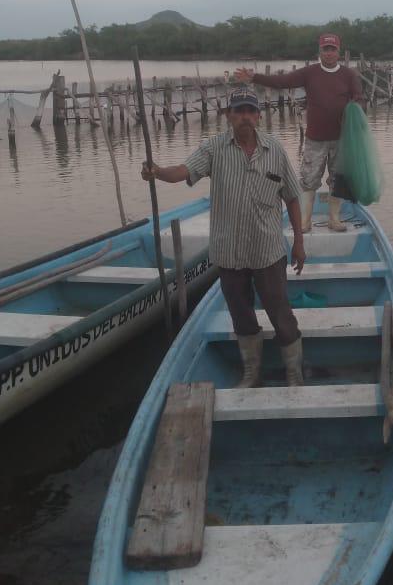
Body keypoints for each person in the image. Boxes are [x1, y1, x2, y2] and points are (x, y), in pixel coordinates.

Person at [141, 88, 307, 388]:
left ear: (258, 116)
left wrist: (299, 241)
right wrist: (158, 172)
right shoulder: (213, 149)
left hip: (268, 250)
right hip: (228, 251)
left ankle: (294, 372)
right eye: (238, 110)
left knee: (280, 312)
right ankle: (251, 373)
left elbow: (293, 197)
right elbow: (184, 171)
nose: (244, 116)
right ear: (229, 115)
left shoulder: (276, 150)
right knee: (240, 315)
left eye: (250, 111)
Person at [235, 32, 364, 233]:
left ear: (338, 52)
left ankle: (334, 219)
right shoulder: (309, 73)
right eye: (325, 50)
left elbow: (359, 99)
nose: (329, 53)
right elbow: (282, 82)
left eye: (332, 50)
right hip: (315, 139)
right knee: (308, 180)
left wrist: (356, 105)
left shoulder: (349, 75)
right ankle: (305, 222)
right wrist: (255, 77)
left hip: (342, 139)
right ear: (320, 51)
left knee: (338, 180)